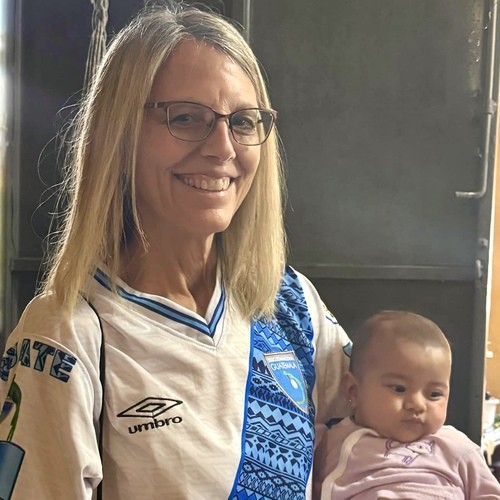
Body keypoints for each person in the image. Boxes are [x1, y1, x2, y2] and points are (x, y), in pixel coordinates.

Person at [0, 2, 352, 499]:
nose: (223, 148)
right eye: (186, 118)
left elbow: (390, 444)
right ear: (118, 134)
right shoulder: (67, 334)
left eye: (243, 122)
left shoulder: (290, 302)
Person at [313, 310, 500, 500]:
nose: (417, 405)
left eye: (434, 394)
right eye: (399, 389)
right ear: (353, 391)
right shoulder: (328, 443)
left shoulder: (456, 447)